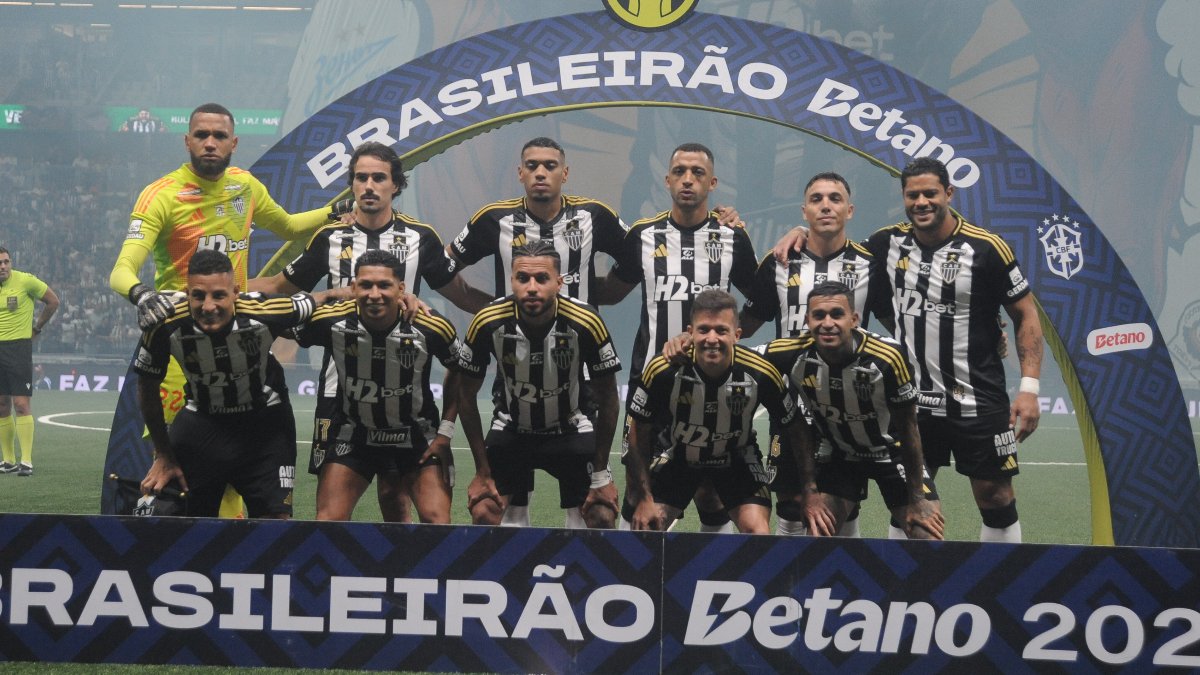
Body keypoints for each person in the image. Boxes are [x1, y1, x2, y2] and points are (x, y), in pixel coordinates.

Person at [777, 157, 1043, 542]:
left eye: (930, 193)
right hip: (909, 402)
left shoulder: (987, 248)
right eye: (912, 195)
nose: (921, 202)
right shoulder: (888, 243)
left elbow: (1025, 314)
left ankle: (997, 589)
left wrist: (1030, 387)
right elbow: (833, 240)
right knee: (906, 502)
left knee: (995, 494)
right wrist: (799, 230)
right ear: (904, 198)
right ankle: (902, 595)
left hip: (978, 396)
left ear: (948, 193)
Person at [109, 102, 332, 517]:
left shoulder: (245, 186)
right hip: (183, 353)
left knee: (244, 470)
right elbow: (122, 269)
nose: (210, 143)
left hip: (241, 344)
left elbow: (289, 227)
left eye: (218, 136)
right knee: (187, 478)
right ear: (187, 140)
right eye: (201, 135)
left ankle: (233, 568)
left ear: (234, 142)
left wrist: (336, 212)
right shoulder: (162, 195)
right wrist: (141, 294)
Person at [252, 141, 488, 522]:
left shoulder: (420, 237)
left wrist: (505, 310)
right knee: (333, 505)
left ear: (396, 185)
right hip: (338, 389)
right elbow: (280, 288)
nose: (369, 186)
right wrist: (226, 289)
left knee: (395, 496)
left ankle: (397, 571)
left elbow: (459, 293)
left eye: (379, 177)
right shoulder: (330, 237)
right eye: (361, 178)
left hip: (404, 379)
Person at [445, 136, 629, 526]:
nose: (540, 173)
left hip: (578, 381)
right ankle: (514, 572)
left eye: (549, 165)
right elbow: (441, 264)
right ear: (520, 173)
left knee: (594, 510)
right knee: (501, 504)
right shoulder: (494, 219)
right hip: (515, 370)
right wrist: (487, 308)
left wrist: (605, 296)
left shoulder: (595, 215)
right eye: (532, 165)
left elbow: (642, 253)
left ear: (565, 173)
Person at [593, 142, 758, 533]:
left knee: (711, 492)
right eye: (680, 171)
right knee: (638, 492)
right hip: (650, 382)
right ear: (666, 180)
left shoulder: (731, 237)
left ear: (712, 182)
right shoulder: (643, 236)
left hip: (711, 386)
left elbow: (763, 298)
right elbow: (613, 291)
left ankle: (710, 580)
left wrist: (729, 340)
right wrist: (564, 281)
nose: (688, 179)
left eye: (698, 173)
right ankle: (631, 576)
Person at [739, 172, 884, 536]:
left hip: (847, 402)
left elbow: (902, 320)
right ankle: (790, 589)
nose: (826, 206)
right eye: (817, 199)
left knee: (843, 505)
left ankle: (843, 585)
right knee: (789, 503)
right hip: (788, 400)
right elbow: (749, 322)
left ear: (849, 210)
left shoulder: (871, 264)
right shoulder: (779, 262)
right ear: (804, 210)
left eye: (834, 198)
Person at [135, 250, 321, 518]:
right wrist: (163, 454)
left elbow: (320, 301)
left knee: (276, 525)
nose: (208, 306)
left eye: (219, 295)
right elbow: (147, 386)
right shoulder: (163, 322)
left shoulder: (266, 310)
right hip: (202, 422)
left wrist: (398, 299)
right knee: (178, 520)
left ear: (236, 292)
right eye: (198, 295)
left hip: (265, 426)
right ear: (187, 292)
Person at [456, 240, 621, 529]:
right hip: (512, 427)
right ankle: (508, 572)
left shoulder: (586, 321)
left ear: (558, 282)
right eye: (523, 278)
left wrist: (601, 477)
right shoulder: (487, 321)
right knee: (485, 511)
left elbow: (608, 398)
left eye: (542, 278)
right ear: (512, 281)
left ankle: (580, 573)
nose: (532, 287)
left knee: (601, 515)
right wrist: (482, 471)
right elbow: (465, 394)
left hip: (572, 426)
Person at [289, 250, 461, 522]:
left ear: (401, 289)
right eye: (366, 285)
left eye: (384, 285)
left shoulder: (431, 326)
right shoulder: (331, 320)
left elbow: (461, 370)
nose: (374, 294)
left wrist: (445, 433)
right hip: (354, 437)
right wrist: (327, 295)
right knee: (327, 521)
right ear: (354, 287)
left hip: (418, 438)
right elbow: (277, 319)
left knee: (437, 521)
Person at [762, 281, 944, 539]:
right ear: (807, 320)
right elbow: (736, 355)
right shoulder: (789, 352)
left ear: (854, 319)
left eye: (837, 314)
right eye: (819, 315)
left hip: (891, 454)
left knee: (927, 535)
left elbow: (909, 428)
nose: (827, 323)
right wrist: (685, 343)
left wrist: (917, 498)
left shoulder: (888, 358)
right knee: (818, 532)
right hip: (840, 456)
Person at [624, 289, 808, 534]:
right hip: (678, 458)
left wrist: (810, 489)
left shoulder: (760, 372)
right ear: (690, 333)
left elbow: (794, 427)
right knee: (646, 526)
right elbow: (638, 432)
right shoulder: (663, 368)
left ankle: (723, 572)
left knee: (758, 532)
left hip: (738, 458)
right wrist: (644, 497)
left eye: (721, 330)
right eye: (703, 330)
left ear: (737, 335)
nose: (712, 338)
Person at [0, 247, 59, 477]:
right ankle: (8, 460)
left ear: (10, 263)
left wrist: (37, 328)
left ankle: (26, 461)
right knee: (1, 406)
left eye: (6, 262)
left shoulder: (26, 281)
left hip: (18, 349)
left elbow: (53, 301)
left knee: (21, 405)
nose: (3, 266)